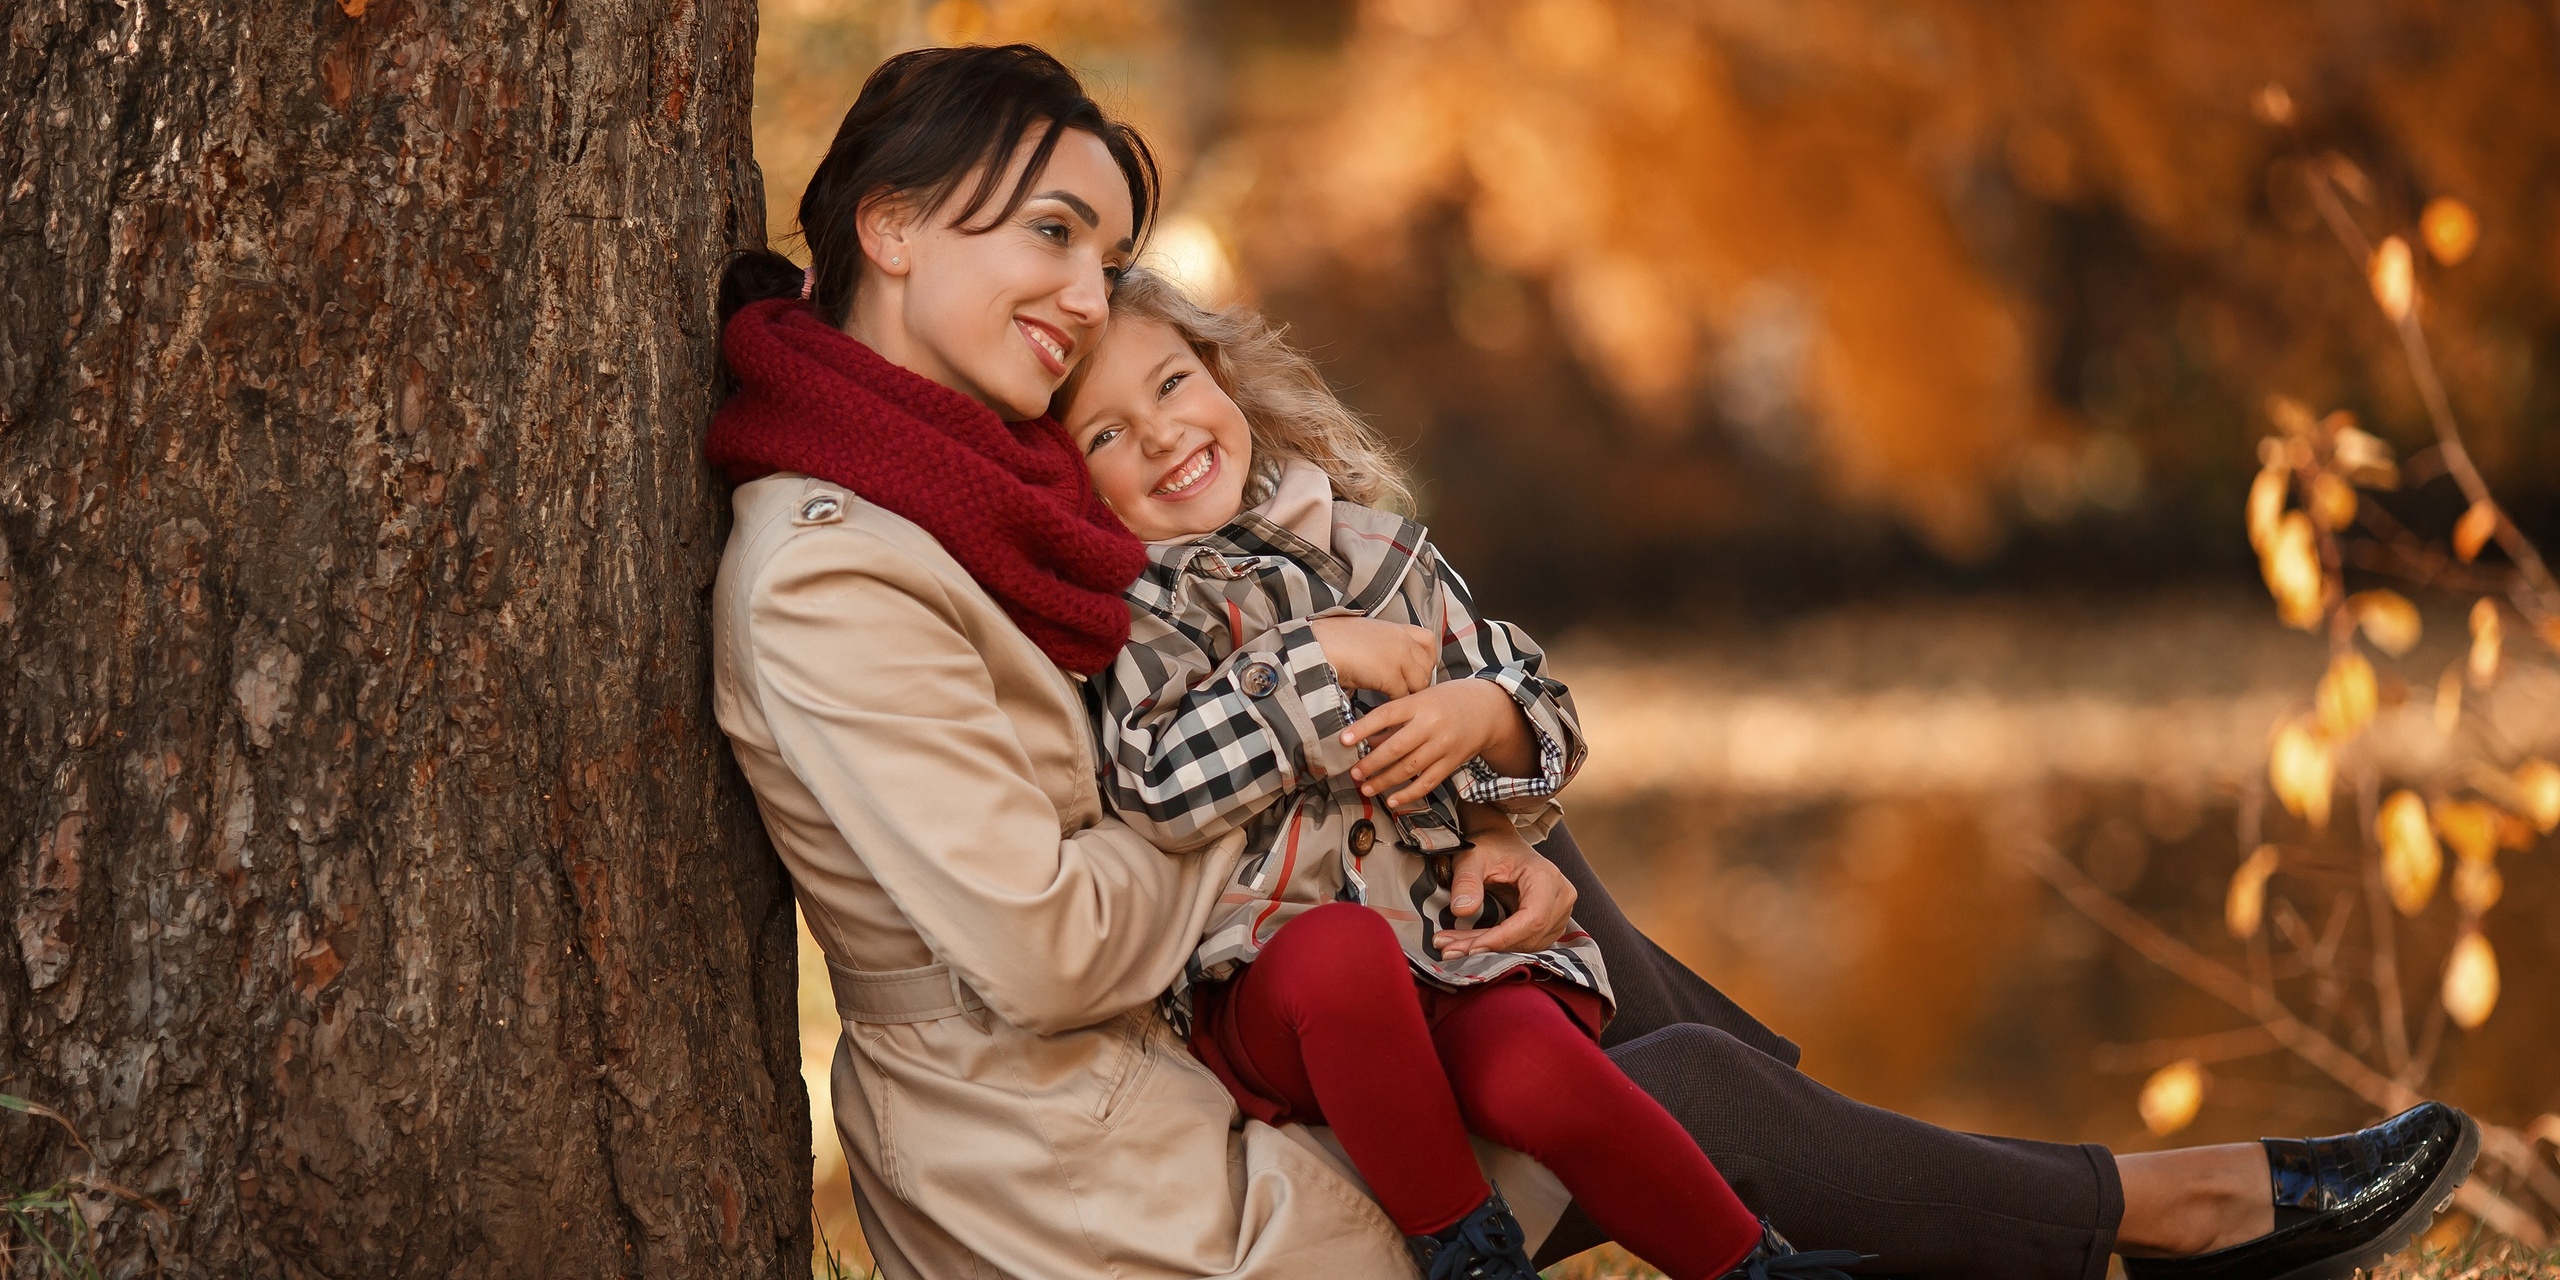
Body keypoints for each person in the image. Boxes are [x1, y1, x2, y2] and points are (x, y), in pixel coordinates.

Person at [705, 40, 2480, 1280]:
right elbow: (1046, 943)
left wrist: (1471, 811)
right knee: (1677, 1089)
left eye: (1106, 252)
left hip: (1204, 1058)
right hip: (1100, 1183)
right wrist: (1332, 816)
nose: (1092, 295)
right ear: (893, 226)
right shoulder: (837, 570)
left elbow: (1199, 741)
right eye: (1051, 233)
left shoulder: (980, 485)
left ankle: (1947, 1168)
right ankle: (2166, 1212)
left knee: (1534, 862)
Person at [1057, 266, 1868, 1280]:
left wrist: (1482, 715)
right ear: (1069, 482)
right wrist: (1314, 658)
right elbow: (1158, 785)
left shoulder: (1375, 551)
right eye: (1105, 433)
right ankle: (1470, 1252)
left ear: (1219, 373)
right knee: (1340, 951)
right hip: (1274, 989)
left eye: (1172, 383)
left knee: (1534, 1067)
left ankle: (1748, 1262)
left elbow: (1547, 718)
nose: (1161, 433)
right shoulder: (1134, 612)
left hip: (1449, 948)